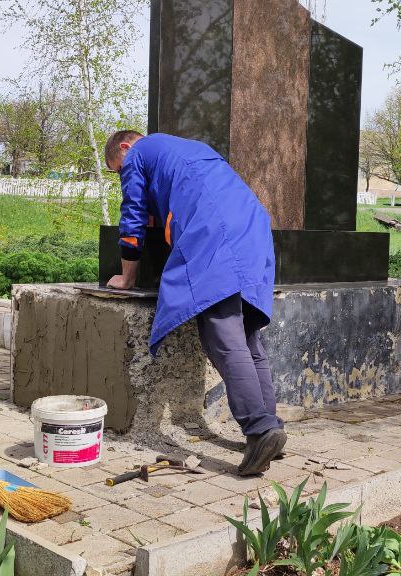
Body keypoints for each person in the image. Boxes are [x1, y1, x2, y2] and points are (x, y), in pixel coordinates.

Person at [103, 130, 285, 476]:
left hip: (214, 233)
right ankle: (272, 426)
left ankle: (259, 430)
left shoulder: (138, 156)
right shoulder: (187, 148)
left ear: (125, 147)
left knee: (223, 336)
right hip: (252, 226)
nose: (120, 176)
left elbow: (133, 218)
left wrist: (126, 277)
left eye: (116, 170)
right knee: (247, 337)